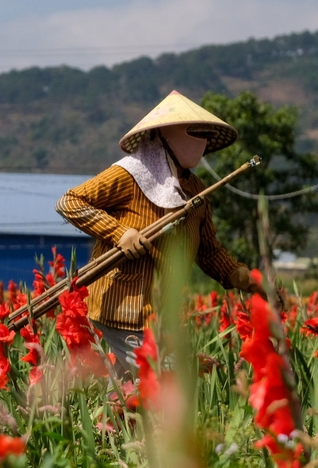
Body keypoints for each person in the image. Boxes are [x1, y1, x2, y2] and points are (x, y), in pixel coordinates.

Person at [55, 90, 263, 368]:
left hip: (164, 312)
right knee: (162, 374)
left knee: (131, 388)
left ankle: (112, 410)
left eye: (205, 135)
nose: (201, 142)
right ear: (165, 134)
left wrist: (241, 276)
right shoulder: (129, 174)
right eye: (195, 132)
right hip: (124, 308)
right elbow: (69, 201)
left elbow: (210, 252)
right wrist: (120, 233)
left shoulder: (195, 190)